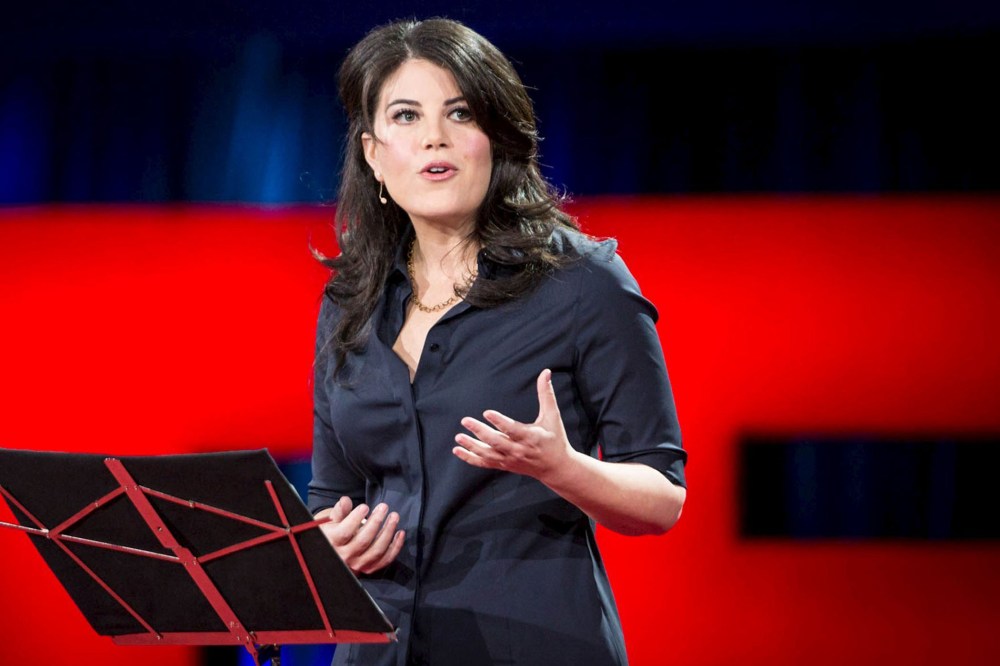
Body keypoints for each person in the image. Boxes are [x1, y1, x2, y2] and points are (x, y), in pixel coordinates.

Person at [308, 18, 687, 666]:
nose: (435, 136)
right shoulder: (351, 302)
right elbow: (331, 495)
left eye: (460, 112)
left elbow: (662, 498)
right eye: (406, 116)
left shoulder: (582, 283)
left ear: (497, 137)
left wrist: (564, 470)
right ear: (373, 153)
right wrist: (324, 545)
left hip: (533, 642)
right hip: (380, 646)